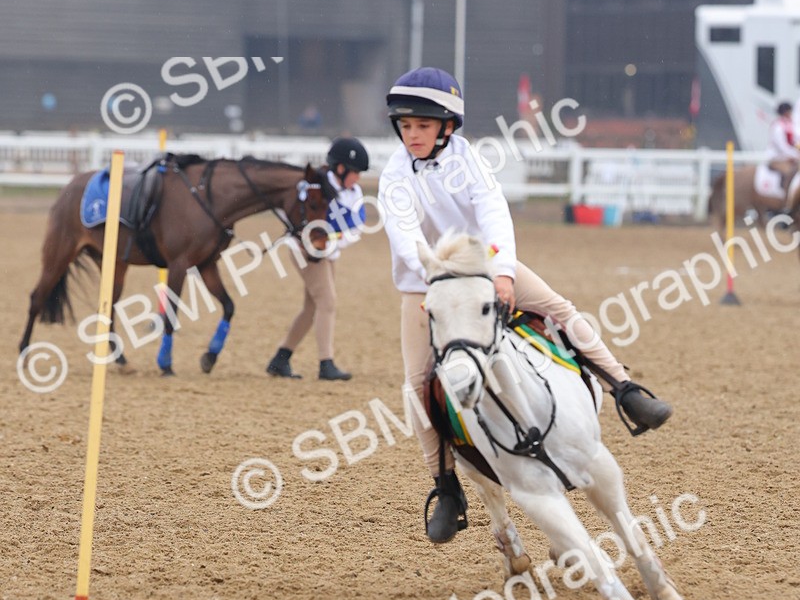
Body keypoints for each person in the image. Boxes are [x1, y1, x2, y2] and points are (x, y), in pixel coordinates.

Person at [378, 67, 672, 544]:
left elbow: (494, 212)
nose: (412, 135)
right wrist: (441, 283)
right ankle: (446, 485)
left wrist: (503, 274)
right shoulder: (393, 176)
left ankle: (625, 388)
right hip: (427, 282)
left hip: (485, 265)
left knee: (560, 309)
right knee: (416, 385)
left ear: (447, 127)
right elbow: (407, 238)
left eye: (423, 126)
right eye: (406, 126)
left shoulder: (468, 159)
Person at [266, 137, 368, 382]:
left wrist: (332, 240)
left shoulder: (354, 193)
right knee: (327, 302)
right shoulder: (315, 185)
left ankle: (281, 358)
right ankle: (326, 363)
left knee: (312, 308)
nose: (359, 178)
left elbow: (357, 227)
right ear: (341, 169)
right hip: (305, 251)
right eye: (355, 172)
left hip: (329, 251)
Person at [766, 101, 798, 192]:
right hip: (777, 159)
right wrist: (795, 155)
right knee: (790, 172)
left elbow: (795, 140)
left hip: (788, 158)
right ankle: (787, 197)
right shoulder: (777, 127)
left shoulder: (790, 125)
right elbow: (782, 147)